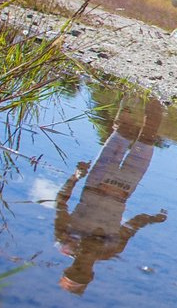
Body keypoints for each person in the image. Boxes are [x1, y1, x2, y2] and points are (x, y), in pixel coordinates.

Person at [55, 96, 169, 293]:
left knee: (123, 132)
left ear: (69, 266)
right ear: (91, 274)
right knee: (148, 137)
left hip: (96, 181)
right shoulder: (111, 250)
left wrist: (75, 177)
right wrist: (151, 218)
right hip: (124, 188)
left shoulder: (65, 241)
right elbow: (131, 226)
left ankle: (132, 91)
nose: (79, 267)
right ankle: (158, 96)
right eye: (82, 272)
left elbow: (61, 203)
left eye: (74, 269)